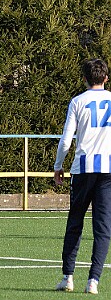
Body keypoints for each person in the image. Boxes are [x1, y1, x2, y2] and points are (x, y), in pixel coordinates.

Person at [54, 58, 111, 295]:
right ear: (106, 78)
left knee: (75, 222)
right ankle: (93, 281)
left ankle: (68, 277)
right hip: (108, 170)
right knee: (103, 226)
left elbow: (67, 140)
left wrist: (58, 165)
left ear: (85, 79)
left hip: (83, 168)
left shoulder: (77, 101)